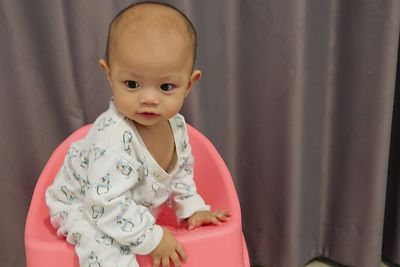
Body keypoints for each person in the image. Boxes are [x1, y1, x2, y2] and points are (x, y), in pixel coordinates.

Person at [45, 2, 230, 267]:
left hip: (123, 202)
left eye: (166, 86)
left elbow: (182, 174)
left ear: (189, 84)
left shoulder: (177, 128)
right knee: (102, 245)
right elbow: (104, 204)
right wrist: (151, 238)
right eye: (132, 84)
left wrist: (192, 207)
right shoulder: (113, 139)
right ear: (109, 75)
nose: (149, 99)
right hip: (85, 204)